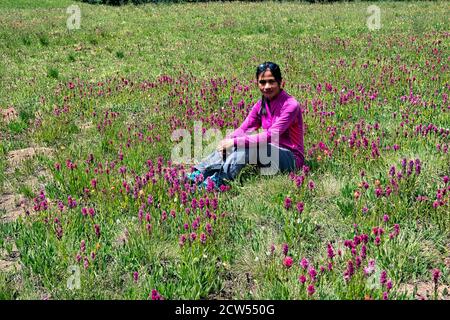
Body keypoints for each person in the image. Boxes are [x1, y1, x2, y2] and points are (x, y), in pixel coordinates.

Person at [188, 61, 304, 189]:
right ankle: (199, 173)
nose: (267, 86)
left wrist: (235, 142)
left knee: (250, 146)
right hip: (268, 153)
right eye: (262, 82)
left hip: (290, 158)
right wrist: (228, 140)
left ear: (281, 82)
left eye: (271, 81)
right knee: (233, 144)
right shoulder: (261, 105)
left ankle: (219, 180)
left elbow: (271, 135)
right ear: (257, 83)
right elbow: (245, 128)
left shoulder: (290, 105)